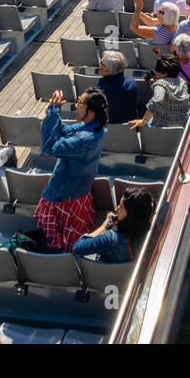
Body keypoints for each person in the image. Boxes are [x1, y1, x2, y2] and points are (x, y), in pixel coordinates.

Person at [35, 89, 108, 252]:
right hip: (79, 191)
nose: (75, 106)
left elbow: (47, 149)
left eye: (80, 103)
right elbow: (64, 131)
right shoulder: (97, 127)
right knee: (75, 236)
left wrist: (52, 113)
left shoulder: (84, 138)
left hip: (63, 196)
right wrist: (54, 111)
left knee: (58, 242)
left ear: (92, 112)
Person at [72, 189, 155, 262]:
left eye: (121, 207)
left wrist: (104, 226)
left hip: (103, 274)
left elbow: (77, 249)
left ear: (130, 216)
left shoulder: (110, 238)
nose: (116, 209)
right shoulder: (151, 230)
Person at [127, 57, 190, 129]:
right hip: (183, 126)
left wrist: (144, 120)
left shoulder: (161, 84)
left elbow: (157, 100)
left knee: (145, 121)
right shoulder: (182, 82)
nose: (155, 73)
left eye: (157, 70)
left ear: (165, 73)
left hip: (163, 127)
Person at [96, 50, 138, 124]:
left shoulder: (100, 91)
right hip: (130, 129)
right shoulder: (132, 83)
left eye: (101, 63)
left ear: (107, 69)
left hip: (107, 130)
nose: (99, 64)